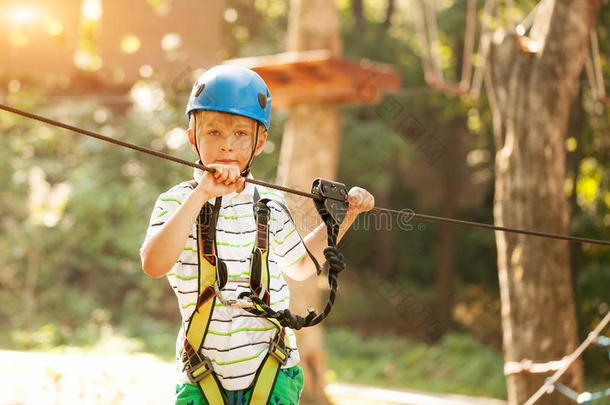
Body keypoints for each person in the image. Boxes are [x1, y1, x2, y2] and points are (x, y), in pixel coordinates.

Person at [139, 65, 374, 405]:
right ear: (193, 138)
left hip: (272, 372)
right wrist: (201, 194)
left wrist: (346, 214)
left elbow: (300, 267)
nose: (227, 146)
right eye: (214, 133)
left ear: (259, 142)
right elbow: (154, 264)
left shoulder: (269, 204)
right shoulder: (176, 202)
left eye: (240, 135)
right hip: (201, 377)